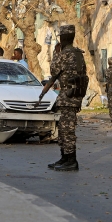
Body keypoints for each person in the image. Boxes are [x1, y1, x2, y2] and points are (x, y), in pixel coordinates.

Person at [39, 25, 87, 172]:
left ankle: (71, 160)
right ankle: (65, 158)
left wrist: (56, 52)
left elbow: (53, 71)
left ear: (62, 38)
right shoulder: (79, 54)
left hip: (67, 96)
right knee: (64, 128)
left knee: (66, 129)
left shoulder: (63, 54)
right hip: (76, 95)